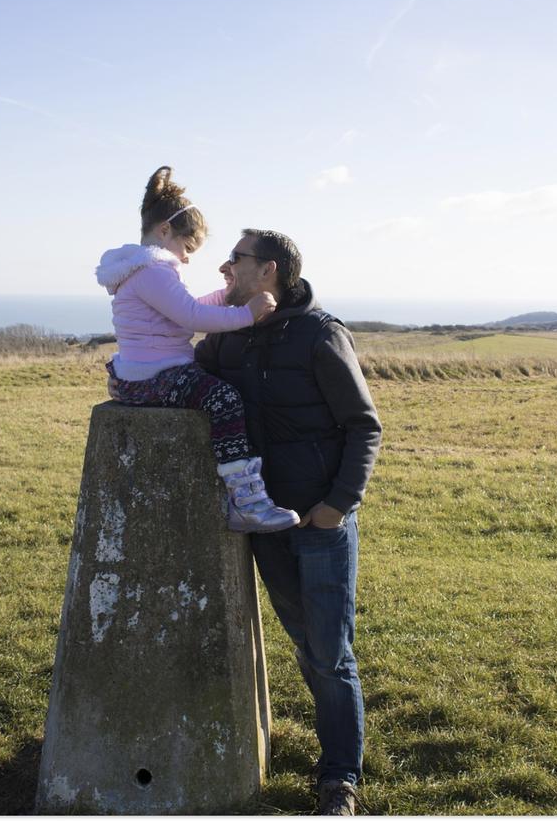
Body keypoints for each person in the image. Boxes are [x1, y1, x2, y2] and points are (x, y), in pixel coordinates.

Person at [193, 229, 382, 816]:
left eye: (237, 259)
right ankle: (336, 757)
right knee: (305, 644)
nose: (226, 267)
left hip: (321, 522)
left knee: (330, 654)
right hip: (266, 523)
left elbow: (363, 425)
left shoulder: (321, 335)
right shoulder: (233, 333)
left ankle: (339, 781)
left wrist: (338, 504)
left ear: (268, 270)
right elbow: (188, 370)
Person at [96, 167, 300, 533]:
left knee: (215, 392)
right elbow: (192, 316)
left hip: (143, 373)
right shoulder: (153, 272)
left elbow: (182, 314)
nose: (188, 258)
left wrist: (225, 296)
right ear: (165, 232)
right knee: (224, 399)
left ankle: (247, 497)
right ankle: (246, 501)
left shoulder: (141, 271)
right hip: (157, 375)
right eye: (188, 248)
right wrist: (247, 314)